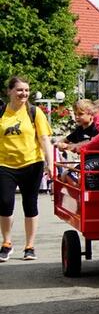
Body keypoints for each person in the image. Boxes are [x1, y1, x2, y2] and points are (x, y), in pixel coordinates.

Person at [0, 77, 55, 261]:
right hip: (5, 164)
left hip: (32, 164)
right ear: (9, 91)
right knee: (5, 202)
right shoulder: (1, 112)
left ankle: (29, 246)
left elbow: (44, 139)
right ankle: (6, 243)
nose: (24, 93)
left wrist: (50, 163)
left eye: (26, 90)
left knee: (30, 205)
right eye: (19, 90)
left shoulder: (34, 112)